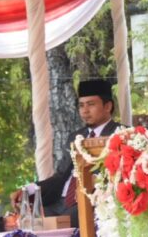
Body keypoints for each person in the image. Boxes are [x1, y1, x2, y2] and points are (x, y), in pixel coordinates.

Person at [12, 80, 122, 217]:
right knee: (23, 219)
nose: (85, 111)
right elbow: (60, 176)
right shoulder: (76, 136)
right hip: (58, 202)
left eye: (91, 104)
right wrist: (28, 189)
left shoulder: (121, 134)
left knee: (59, 222)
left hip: (90, 201)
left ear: (107, 106)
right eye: (81, 106)